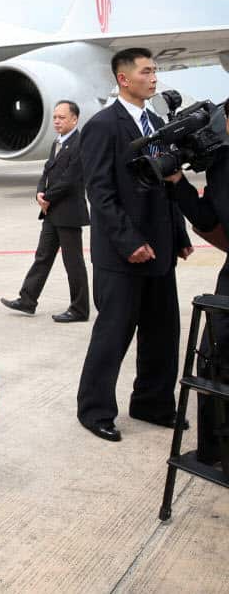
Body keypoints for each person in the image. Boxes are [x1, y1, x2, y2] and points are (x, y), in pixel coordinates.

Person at [76, 48, 193, 443]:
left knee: (163, 334)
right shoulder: (103, 126)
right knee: (113, 336)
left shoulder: (156, 124)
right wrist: (129, 241)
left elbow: (167, 185)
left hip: (160, 251)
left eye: (155, 70)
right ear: (124, 79)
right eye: (146, 71)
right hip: (122, 255)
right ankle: (94, 410)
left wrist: (179, 236)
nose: (154, 77)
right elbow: (100, 192)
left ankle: (152, 403)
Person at [168, 97, 229, 467]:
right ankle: (213, 450)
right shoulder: (222, 162)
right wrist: (178, 183)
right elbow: (208, 218)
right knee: (212, 355)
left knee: (216, 353)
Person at [1, 100, 90, 322]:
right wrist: (40, 192)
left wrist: (47, 198)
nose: (57, 121)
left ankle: (80, 309)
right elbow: (47, 171)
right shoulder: (57, 143)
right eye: (55, 117)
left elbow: (71, 179)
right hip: (51, 212)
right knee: (42, 257)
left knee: (73, 262)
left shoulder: (80, 144)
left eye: (62, 117)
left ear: (74, 119)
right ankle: (27, 300)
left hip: (68, 213)